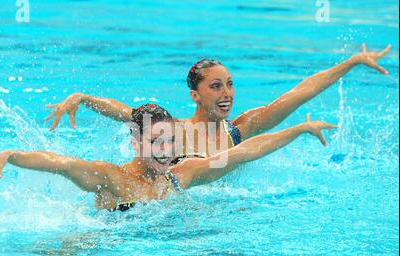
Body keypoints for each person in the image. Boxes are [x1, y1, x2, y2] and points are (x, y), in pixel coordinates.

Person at [44, 44, 389, 161]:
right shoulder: (171, 131)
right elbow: (124, 112)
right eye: (216, 86)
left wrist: (351, 63)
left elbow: (300, 93)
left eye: (230, 85)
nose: (227, 94)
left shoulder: (241, 129)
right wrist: (82, 98)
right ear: (195, 95)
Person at [0, 104, 338, 211]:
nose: (166, 151)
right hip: (101, 242)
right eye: (157, 142)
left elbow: (244, 153)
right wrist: (12, 155)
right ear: (136, 143)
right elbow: (63, 163)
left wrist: (299, 131)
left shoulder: (182, 174)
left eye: (171, 142)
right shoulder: (112, 177)